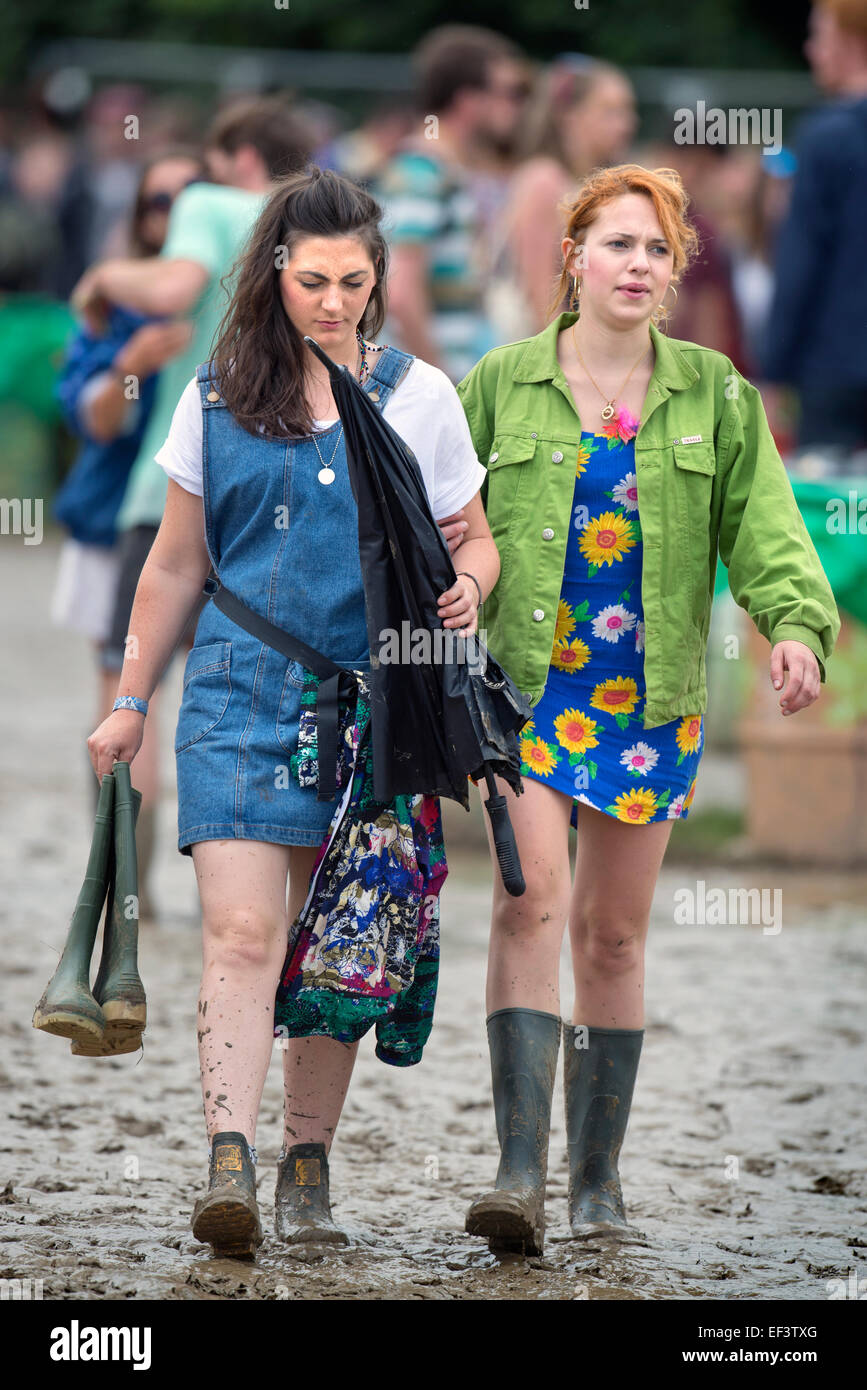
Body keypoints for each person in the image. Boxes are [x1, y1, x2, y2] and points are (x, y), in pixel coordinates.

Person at [85, 166, 499, 1258]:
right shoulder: (214, 395)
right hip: (233, 690)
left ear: (379, 278)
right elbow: (173, 567)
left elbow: (474, 537)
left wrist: (473, 588)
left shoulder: (422, 399)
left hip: (372, 709)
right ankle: (230, 1157)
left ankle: (306, 1164)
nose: (331, 301)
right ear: (275, 273)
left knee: (334, 954)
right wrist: (130, 699)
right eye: (311, 279)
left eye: (352, 282)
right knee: (240, 929)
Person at [453, 163, 840, 1255]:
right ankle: (519, 1173)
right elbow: (444, 516)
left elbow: (767, 531)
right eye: (615, 243)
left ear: (676, 272)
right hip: (523, 692)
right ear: (572, 256)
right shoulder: (499, 383)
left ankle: (598, 1183)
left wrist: (798, 627)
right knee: (529, 904)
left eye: (656, 249)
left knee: (613, 937)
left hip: (651, 699)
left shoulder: (716, 392)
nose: (636, 264)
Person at [70, 98, 312, 918]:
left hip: (178, 484)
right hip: (279, 492)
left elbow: (173, 288)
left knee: (129, 690)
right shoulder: (315, 226)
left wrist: (104, 277)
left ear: (238, 156)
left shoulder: (213, 205)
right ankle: (258, 896)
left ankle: (117, 895)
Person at [50, 149, 204, 884]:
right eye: (158, 204)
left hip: (212, 535)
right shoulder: (120, 310)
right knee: (121, 705)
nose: (172, 220)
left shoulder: (242, 302)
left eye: (188, 203)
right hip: (118, 527)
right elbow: (93, 421)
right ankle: (121, 885)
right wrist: (134, 363)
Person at [376, 24, 527, 381]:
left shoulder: (443, 172)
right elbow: (399, 293)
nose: (518, 106)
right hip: (428, 391)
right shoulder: (421, 173)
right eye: (508, 92)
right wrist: (442, 386)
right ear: (467, 98)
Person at [763, 0, 867, 449]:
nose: (811, 50)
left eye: (819, 37)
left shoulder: (829, 136)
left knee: (831, 512)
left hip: (836, 374)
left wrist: (773, 369)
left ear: (850, 41)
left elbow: (801, 262)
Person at [494, 56, 637, 339]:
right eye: (611, 111)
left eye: (628, 111)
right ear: (569, 114)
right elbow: (540, 302)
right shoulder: (544, 182)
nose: (628, 124)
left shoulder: (588, 186)